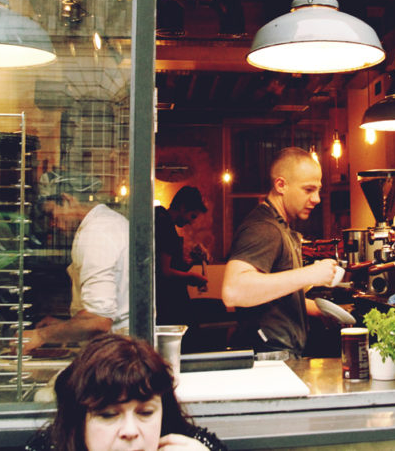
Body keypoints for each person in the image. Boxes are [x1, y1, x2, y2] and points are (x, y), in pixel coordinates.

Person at [221, 147, 338, 356]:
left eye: (318, 190)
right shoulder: (264, 228)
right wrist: (310, 274)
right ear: (281, 185)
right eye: (308, 190)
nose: (317, 199)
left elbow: (273, 295)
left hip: (281, 354)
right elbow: (233, 291)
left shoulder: (281, 226)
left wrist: (320, 310)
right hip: (268, 358)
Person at [25, 333, 226, 451]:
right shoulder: (49, 446)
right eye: (108, 415)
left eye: (146, 412)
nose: (130, 431)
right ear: (79, 420)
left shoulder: (195, 445)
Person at [23, 192, 129, 354]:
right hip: (115, 347)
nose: (52, 224)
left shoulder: (97, 233)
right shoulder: (106, 222)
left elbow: (98, 320)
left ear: (67, 199)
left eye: (51, 214)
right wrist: (63, 327)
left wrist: (41, 335)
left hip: (113, 353)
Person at [155, 186, 210, 325]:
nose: (190, 222)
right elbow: (164, 272)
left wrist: (191, 261)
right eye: (192, 216)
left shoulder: (160, 219)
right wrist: (191, 278)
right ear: (183, 207)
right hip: (167, 302)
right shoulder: (165, 226)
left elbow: (168, 266)